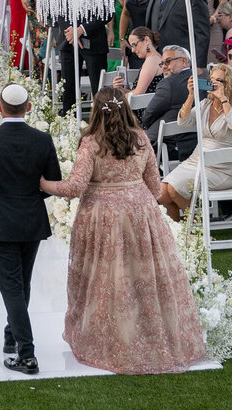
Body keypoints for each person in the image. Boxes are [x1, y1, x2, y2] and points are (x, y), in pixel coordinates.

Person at [41, 87, 206, 373]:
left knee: (107, 279)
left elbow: (75, 187)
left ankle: (116, 339)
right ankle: (153, 335)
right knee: (143, 277)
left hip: (102, 216)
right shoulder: (141, 139)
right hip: (140, 215)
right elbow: (155, 188)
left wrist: (43, 184)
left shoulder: (92, 143)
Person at [0, 82, 62, 373]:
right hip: (31, 219)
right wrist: (30, 197)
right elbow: (51, 181)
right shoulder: (42, 139)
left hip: (0, 221)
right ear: (29, 108)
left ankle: (27, 352)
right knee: (22, 283)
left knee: (12, 286)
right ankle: (12, 335)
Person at [158, 63, 232, 218]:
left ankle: (195, 229)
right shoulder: (206, 104)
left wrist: (223, 98)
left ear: (229, 84)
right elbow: (183, 121)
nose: (212, 83)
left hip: (222, 169)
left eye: (218, 81)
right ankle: (178, 233)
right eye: (211, 79)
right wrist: (191, 96)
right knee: (162, 193)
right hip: (196, 161)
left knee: (174, 189)